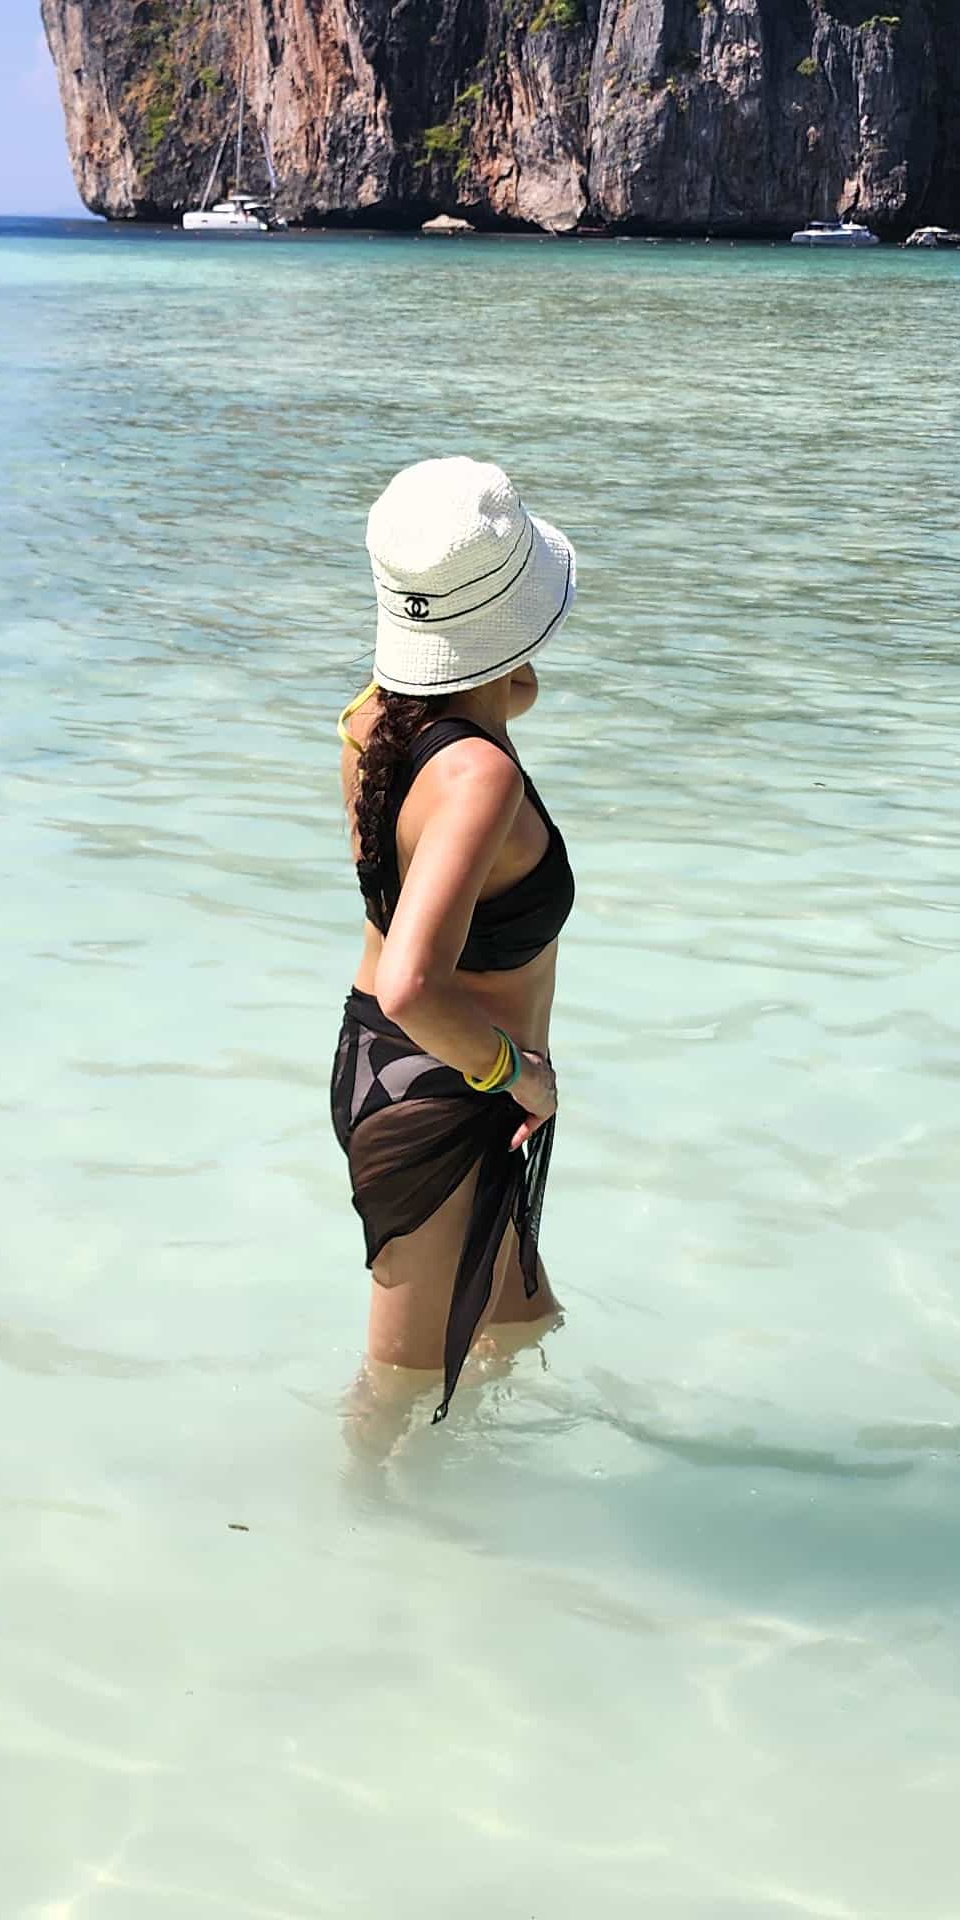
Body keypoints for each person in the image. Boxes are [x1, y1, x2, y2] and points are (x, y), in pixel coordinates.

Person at [330, 456, 576, 1435]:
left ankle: (479, 1517)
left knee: (517, 1331)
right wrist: (521, 1075)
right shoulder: (480, 780)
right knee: (393, 1394)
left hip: (413, 1077)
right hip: (448, 1094)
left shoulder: (371, 721)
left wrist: (501, 681)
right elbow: (411, 982)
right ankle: (354, 1520)